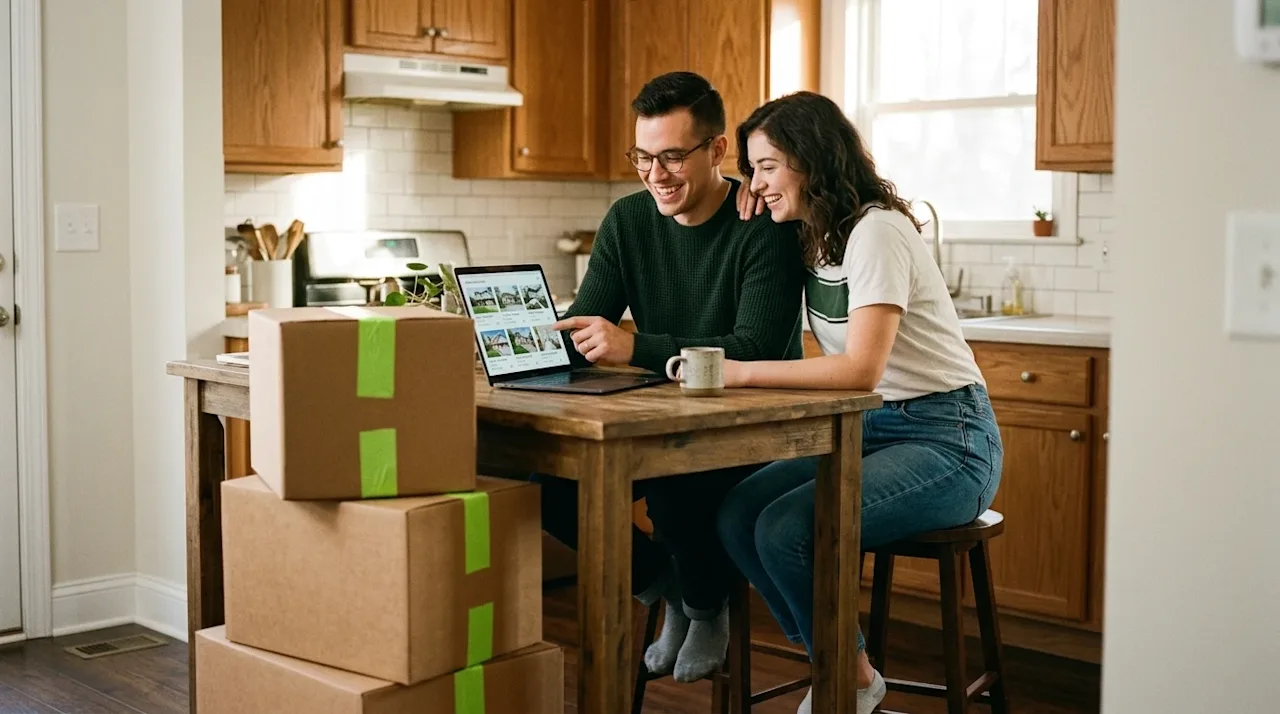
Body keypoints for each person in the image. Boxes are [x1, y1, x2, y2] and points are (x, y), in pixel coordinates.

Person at [715, 91, 1004, 714]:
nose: (758, 182)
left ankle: (845, 676)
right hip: (872, 428)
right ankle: (844, 664)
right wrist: (746, 187)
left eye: (768, 165)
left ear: (811, 159)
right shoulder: (814, 236)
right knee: (738, 515)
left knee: (790, 530)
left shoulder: (877, 231)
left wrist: (739, 375)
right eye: (753, 167)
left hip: (950, 438)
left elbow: (860, 368)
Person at [532, 71, 806, 683]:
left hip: (753, 422)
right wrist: (527, 339)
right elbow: (589, 319)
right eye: (643, 158)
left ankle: (707, 608)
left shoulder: (763, 226)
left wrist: (636, 345)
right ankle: (667, 582)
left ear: (715, 151)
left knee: (676, 485)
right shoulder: (628, 220)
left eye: (673, 157)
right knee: (546, 481)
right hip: (666, 413)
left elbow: (752, 346)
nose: (656, 175)